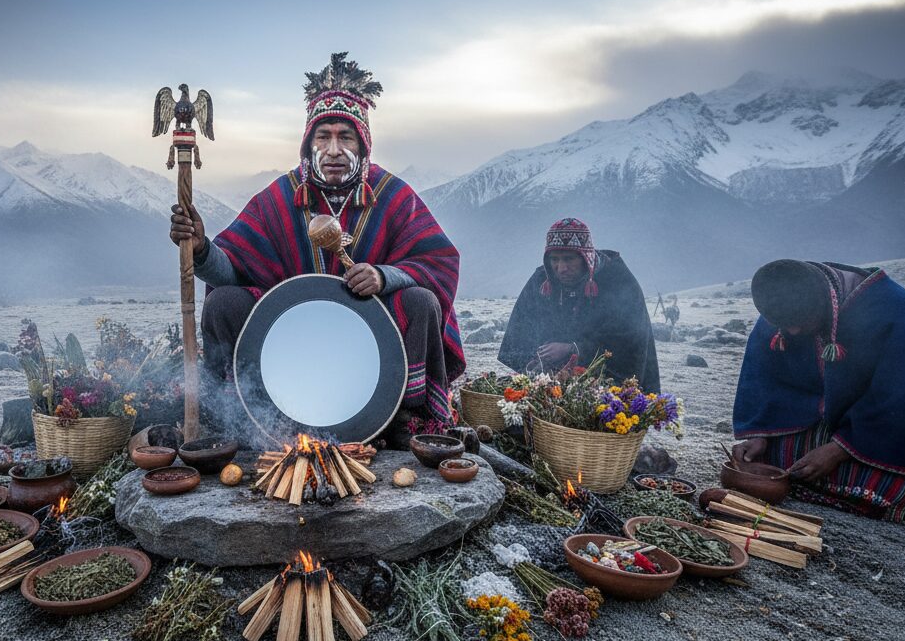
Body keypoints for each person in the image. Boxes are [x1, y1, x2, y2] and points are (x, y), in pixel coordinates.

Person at [169, 52, 464, 436]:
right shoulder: (279, 198)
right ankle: (241, 416)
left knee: (421, 301)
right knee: (224, 302)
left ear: (364, 144)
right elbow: (234, 269)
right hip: (291, 342)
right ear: (308, 145)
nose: (334, 150)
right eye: (323, 137)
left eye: (346, 137)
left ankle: (407, 418)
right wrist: (201, 248)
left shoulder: (393, 195)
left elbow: (439, 262)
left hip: (374, 341)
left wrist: (383, 276)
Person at [732, 259, 905, 524]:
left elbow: (904, 401)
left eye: (799, 323)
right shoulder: (784, 309)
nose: (792, 331)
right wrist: (760, 434)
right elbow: (765, 380)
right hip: (821, 418)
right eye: (784, 325)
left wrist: (839, 450)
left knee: (901, 489)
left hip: (887, 426)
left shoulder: (896, 311)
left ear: (827, 302)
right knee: (764, 464)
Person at [498, 218, 659, 392]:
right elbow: (520, 333)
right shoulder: (542, 280)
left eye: (569, 259)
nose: (561, 268)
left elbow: (629, 345)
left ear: (585, 257)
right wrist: (537, 359)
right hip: (549, 383)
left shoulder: (618, 282)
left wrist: (573, 349)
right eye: (554, 260)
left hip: (606, 386)